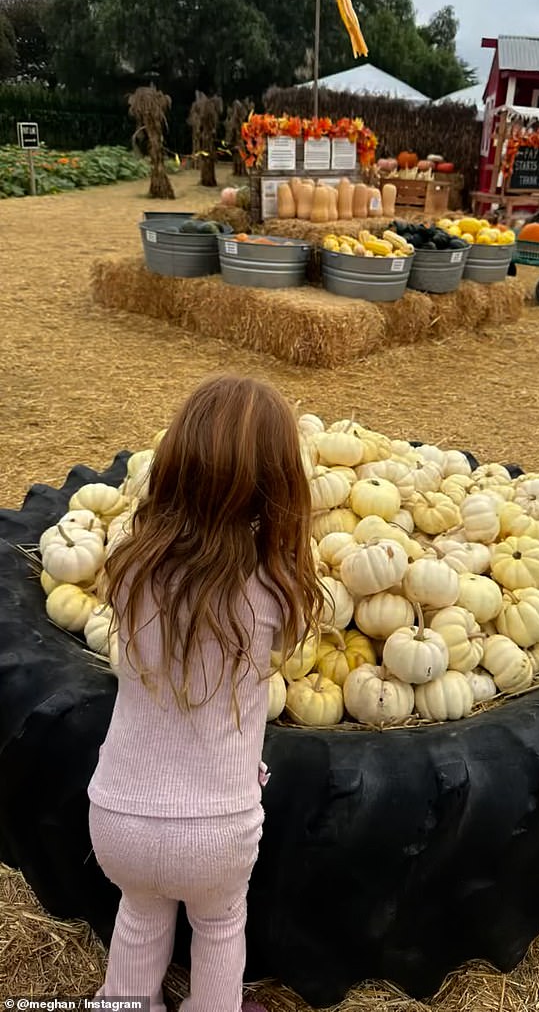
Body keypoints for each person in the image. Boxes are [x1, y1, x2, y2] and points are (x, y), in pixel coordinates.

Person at [87, 375, 322, 1012]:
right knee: (219, 928)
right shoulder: (273, 589)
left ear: (174, 465)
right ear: (279, 486)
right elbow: (282, 639)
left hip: (117, 814)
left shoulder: (129, 566)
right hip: (218, 826)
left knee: (138, 916)